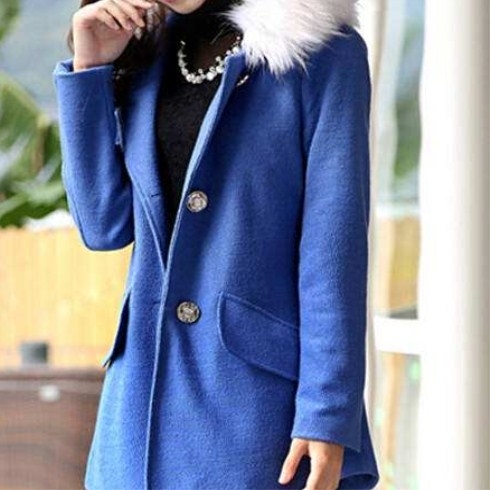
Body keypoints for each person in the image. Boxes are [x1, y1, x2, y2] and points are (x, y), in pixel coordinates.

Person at [52, 0, 380, 488]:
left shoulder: (322, 52)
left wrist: (327, 413)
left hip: (255, 415)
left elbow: (332, 252)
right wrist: (91, 68)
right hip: (137, 407)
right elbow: (103, 225)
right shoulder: (148, 48)